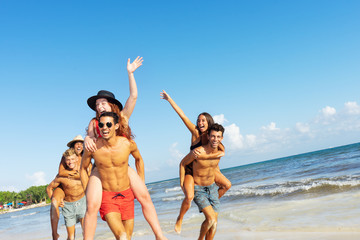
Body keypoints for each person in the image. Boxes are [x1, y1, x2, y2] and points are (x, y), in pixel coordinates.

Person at [83, 57, 166, 240]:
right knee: (92, 206)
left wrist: (130, 73)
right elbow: (89, 135)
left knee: (145, 197)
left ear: (111, 105)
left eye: (102, 102)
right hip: (101, 168)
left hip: (122, 164)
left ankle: (160, 236)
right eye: (97, 104)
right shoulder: (94, 123)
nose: (99, 106)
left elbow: (134, 96)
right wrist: (87, 138)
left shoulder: (122, 119)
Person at [160, 90, 231, 233]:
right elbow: (182, 115)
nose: (200, 122)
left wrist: (222, 153)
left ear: (209, 122)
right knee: (189, 196)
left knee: (227, 184)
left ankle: (209, 203)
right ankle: (180, 218)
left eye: (203, 120)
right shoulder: (195, 132)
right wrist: (170, 99)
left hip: (207, 169)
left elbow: (221, 149)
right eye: (199, 120)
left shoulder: (212, 136)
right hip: (191, 169)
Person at [81, 112, 156, 240]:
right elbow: (83, 168)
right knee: (121, 236)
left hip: (127, 195)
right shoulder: (93, 148)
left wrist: (141, 181)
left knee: (127, 237)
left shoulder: (127, 144)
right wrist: (86, 189)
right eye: (101, 124)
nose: (104, 127)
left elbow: (139, 159)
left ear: (116, 126)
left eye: (108, 124)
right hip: (107, 197)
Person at [179, 123, 227, 240]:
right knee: (211, 219)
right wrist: (182, 183)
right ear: (208, 137)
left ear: (221, 138)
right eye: (213, 136)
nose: (215, 139)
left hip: (212, 188)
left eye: (218, 137)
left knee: (214, 223)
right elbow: (183, 163)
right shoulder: (198, 152)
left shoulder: (221, 150)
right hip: (198, 188)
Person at [47, 148, 91, 240]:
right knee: (71, 237)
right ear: (65, 161)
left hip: (82, 203)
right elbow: (49, 188)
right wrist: (56, 202)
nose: (70, 162)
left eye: (72, 159)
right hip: (68, 207)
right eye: (68, 160)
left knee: (86, 234)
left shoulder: (82, 172)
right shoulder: (61, 176)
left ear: (76, 159)